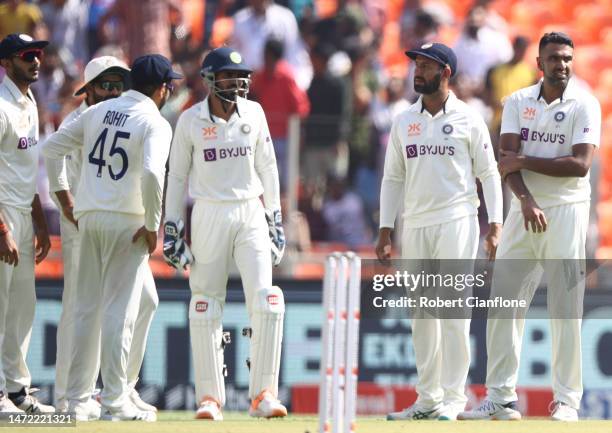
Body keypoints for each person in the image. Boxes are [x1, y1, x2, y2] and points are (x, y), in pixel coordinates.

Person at [458, 32, 601, 422]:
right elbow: (505, 161)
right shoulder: (519, 102)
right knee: (504, 302)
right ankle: (500, 398)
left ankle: (567, 401)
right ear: (539, 63)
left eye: (568, 58)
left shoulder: (586, 104)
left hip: (568, 210)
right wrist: (525, 198)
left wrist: (524, 160)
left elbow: (580, 164)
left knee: (565, 307)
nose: (562, 64)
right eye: (554, 57)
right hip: (524, 211)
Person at [42, 54, 181, 421]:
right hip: (127, 222)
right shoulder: (155, 121)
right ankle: (115, 400)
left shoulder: (94, 113)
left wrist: (70, 200)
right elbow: (153, 175)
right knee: (119, 310)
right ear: (162, 88)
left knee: (89, 308)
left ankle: (78, 398)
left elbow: (51, 147)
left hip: (89, 219)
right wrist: (153, 224)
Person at [376, 42, 503, 421]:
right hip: (414, 223)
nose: (418, 71)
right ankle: (427, 398)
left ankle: (453, 397)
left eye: (427, 66)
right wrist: (385, 230)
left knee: (451, 311)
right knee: (421, 315)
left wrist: (494, 225)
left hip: (456, 220)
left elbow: (489, 173)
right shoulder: (404, 120)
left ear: (445, 72)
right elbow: (392, 177)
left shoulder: (468, 118)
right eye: (416, 64)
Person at [163, 46, 286, 421]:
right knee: (204, 305)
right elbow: (178, 176)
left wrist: (275, 217)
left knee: (266, 300)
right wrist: (172, 227)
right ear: (211, 81)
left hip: (250, 210)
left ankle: (263, 394)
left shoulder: (255, 113)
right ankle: (210, 399)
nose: (238, 83)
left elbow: (268, 169)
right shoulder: (189, 121)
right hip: (207, 213)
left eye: (240, 77)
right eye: (230, 77)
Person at [0, 33, 54, 414]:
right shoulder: (1, 105)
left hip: (22, 212)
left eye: (38, 54)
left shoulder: (30, 102)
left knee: (22, 307)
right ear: (6, 63)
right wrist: (2, 230)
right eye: (27, 55)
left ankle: (17, 390)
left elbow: (28, 170)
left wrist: (38, 222)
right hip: (2, 213)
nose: (36, 60)